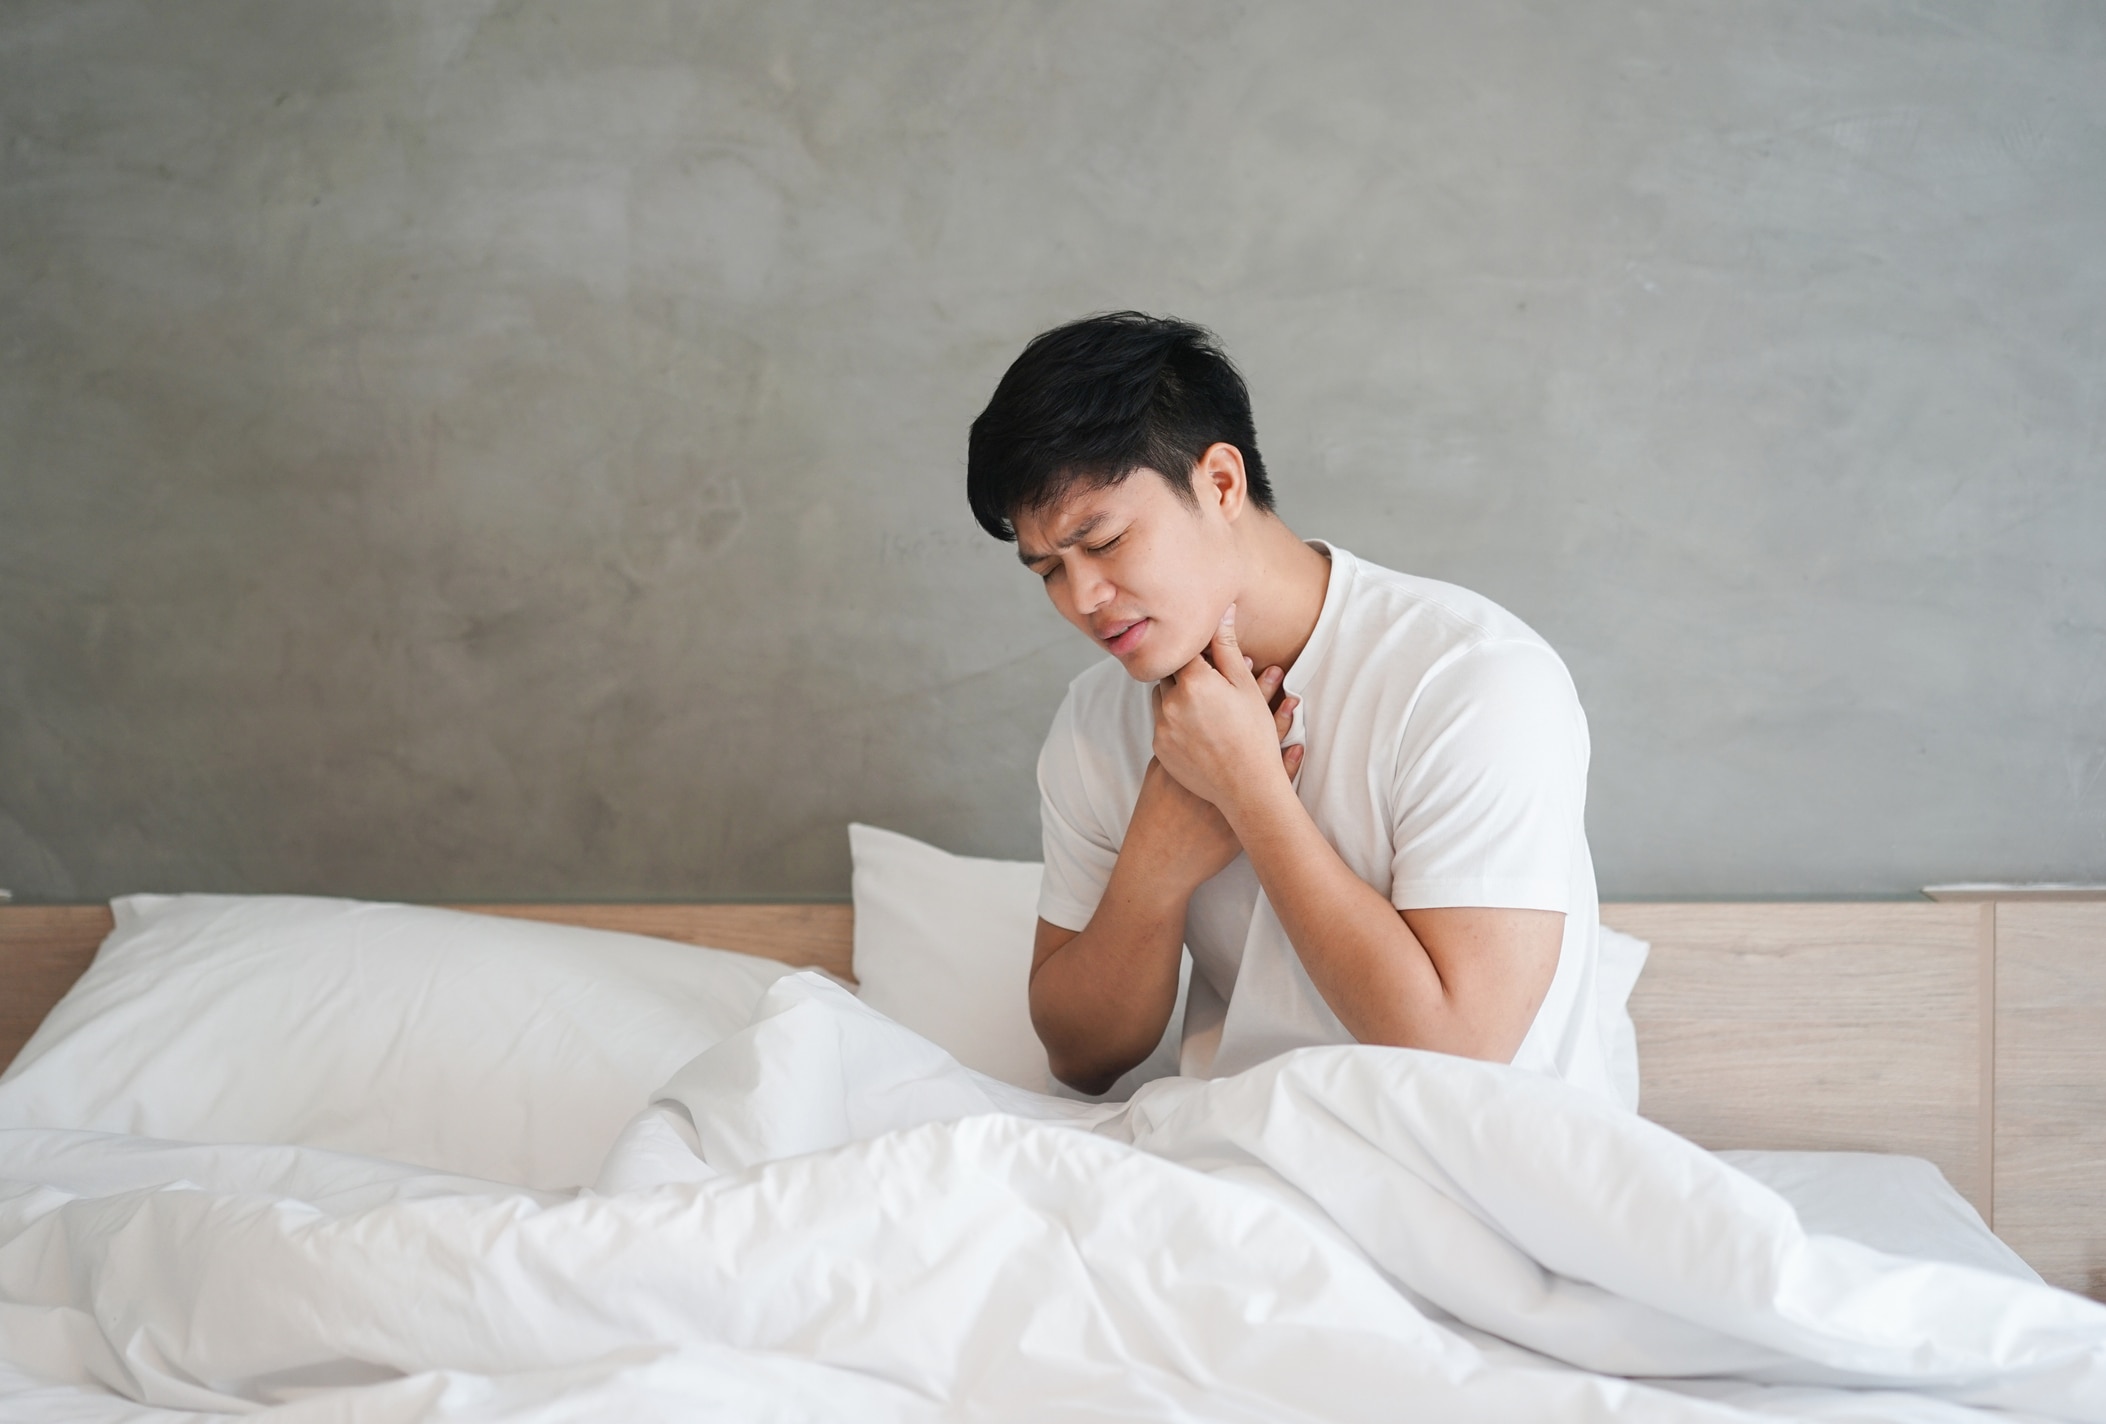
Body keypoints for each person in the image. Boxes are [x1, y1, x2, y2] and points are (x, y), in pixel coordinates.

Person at [966, 312, 1615, 1101]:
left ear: (1221, 483)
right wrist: (1154, 865)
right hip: (1233, 1160)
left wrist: (1248, 790)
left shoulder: (1472, 678)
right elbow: (1080, 1057)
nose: (1082, 598)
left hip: (1483, 1175)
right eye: (1047, 572)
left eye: (1102, 543)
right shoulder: (1096, 719)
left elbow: (1460, 1054)